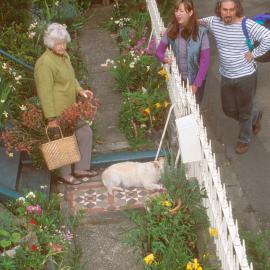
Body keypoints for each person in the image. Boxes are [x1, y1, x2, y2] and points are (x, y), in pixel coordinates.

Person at [200, 0, 270, 154]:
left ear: (237, 9)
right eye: (225, 10)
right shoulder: (213, 22)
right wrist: (169, 30)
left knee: (244, 111)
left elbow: (268, 37)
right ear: (219, 9)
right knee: (229, 109)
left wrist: (254, 54)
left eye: (232, 9)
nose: (228, 13)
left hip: (246, 76)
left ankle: (243, 140)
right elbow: (193, 23)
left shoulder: (247, 25)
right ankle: (255, 115)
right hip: (226, 75)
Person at [34, 23, 97, 184]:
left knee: (85, 132)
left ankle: (80, 168)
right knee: (63, 141)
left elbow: (71, 78)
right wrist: (51, 118)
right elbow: (44, 93)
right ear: (50, 43)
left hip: (71, 108)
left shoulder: (65, 56)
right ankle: (65, 174)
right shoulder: (44, 63)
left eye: (63, 42)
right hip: (57, 110)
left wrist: (80, 90)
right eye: (57, 43)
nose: (62, 46)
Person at [155, 0, 210, 104]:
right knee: (181, 106)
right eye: (176, 10)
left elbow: (205, 61)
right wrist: (164, 59)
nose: (178, 14)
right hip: (178, 79)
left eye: (181, 11)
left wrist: (196, 84)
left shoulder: (201, 33)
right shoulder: (172, 28)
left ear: (190, 12)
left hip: (196, 80)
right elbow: (159, 51)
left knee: (194, 108)